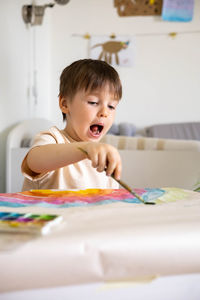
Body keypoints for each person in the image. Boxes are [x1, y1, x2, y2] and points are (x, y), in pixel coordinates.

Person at [21, 59, 122, 191]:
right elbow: (34, 161)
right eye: (93, 102)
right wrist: (85, 148)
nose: (105, 112)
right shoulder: (53, 139)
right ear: (65, 104)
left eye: (111, 106)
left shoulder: (103, 156)